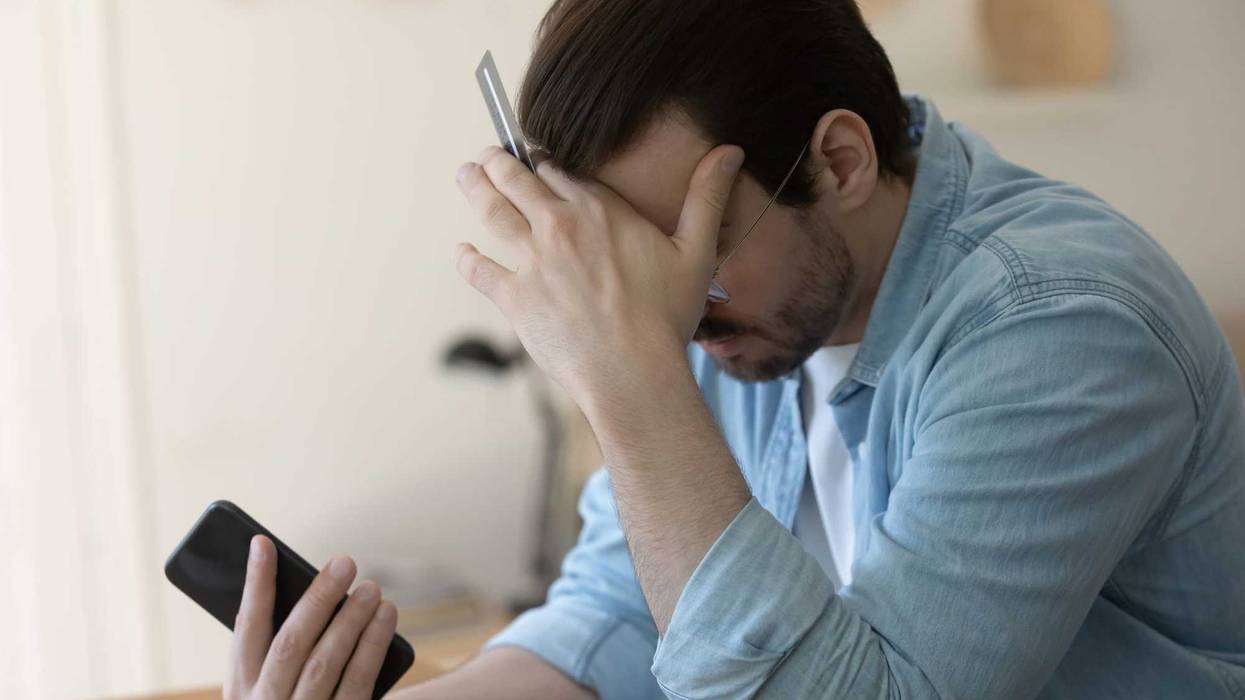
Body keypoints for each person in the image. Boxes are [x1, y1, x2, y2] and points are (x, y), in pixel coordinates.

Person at [224, 1, 1245, 698]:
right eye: (626, 264)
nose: (663, 308)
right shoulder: (751, 312)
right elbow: (617, 614)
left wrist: (629, 388)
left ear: (840, 161)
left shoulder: (1059, 330)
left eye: (692, 248)